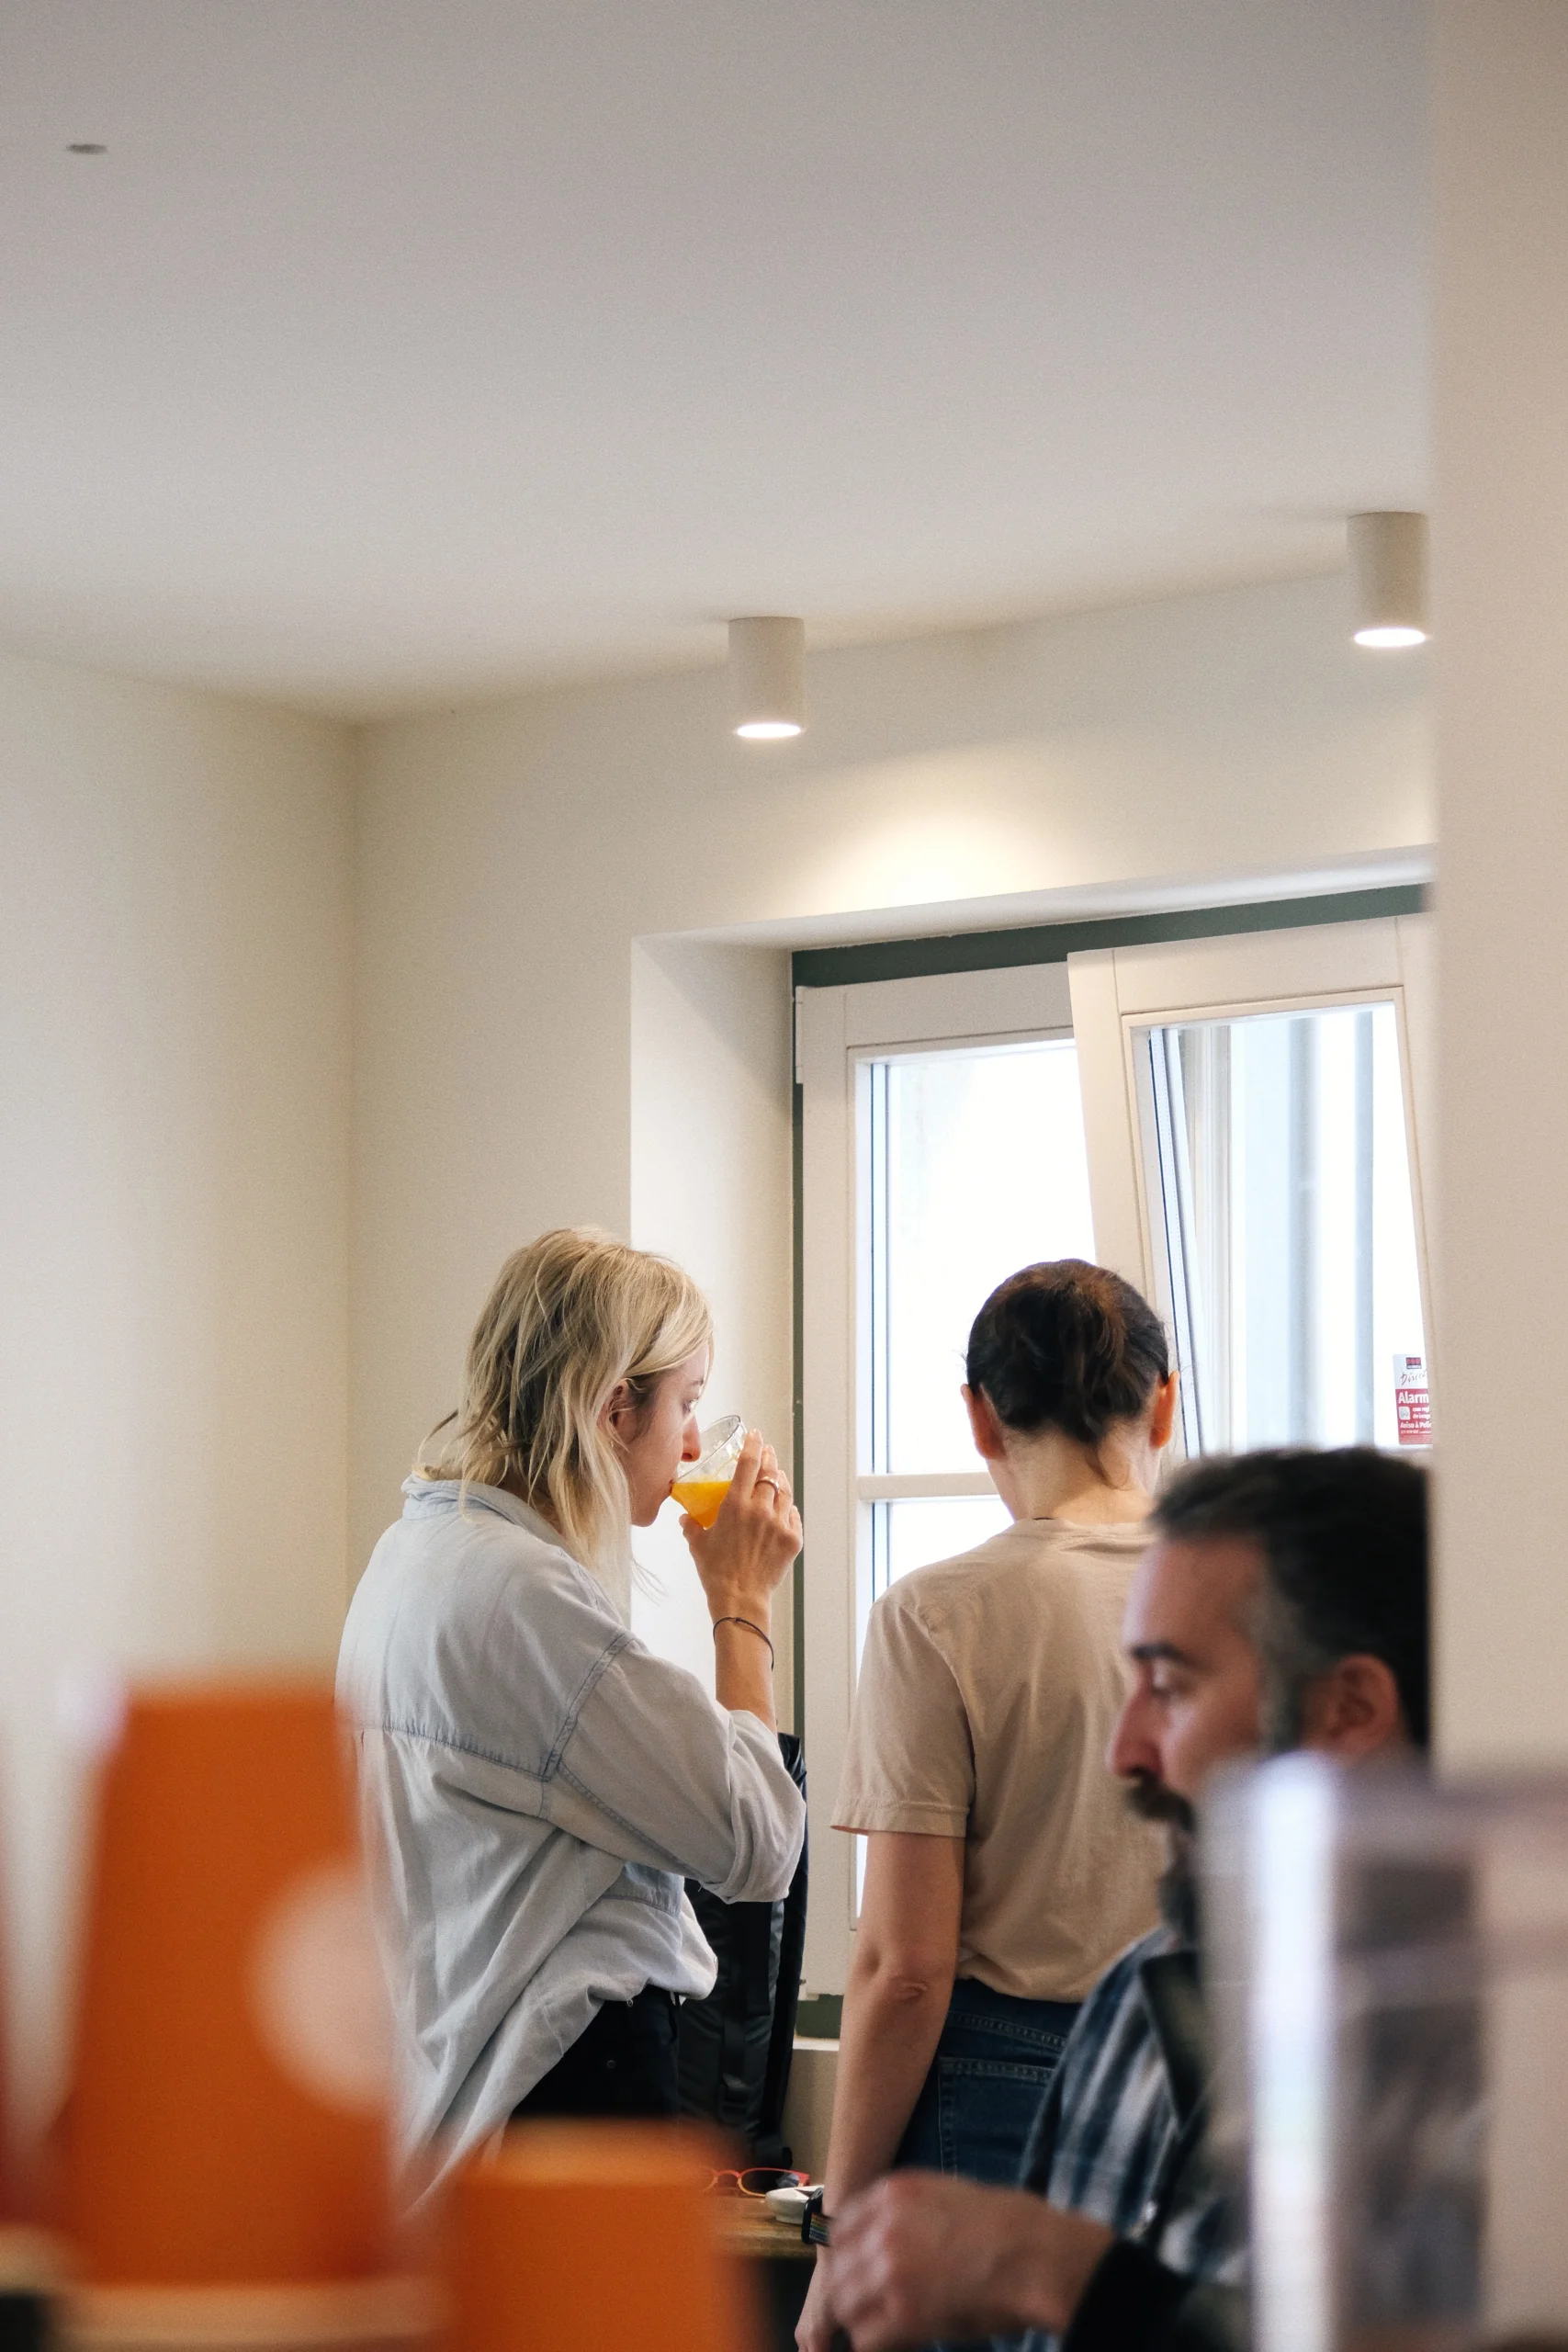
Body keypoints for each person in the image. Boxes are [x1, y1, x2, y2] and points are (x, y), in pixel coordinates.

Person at [818, 1446, 1429, 2352]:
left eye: (1172, 1688)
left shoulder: (1470, 2050)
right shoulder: (1137, 1998)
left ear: (1347, 1709)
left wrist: (1058, 2271)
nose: (1126, 1751)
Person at [337, 1227, 806, 2189]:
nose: (690, 1445)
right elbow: (759, 1842)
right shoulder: (527, 1602)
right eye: (686, 1403)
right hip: (562, 2092)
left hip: (443, 2100)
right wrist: (743, 1602)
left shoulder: (413, 1556)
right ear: (611, 1406)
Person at [798, 1261, 1178, 2351]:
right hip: (1205, 2083)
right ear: (1164, 1400)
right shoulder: (1254, 1596)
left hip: (1000, 2089)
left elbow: (905, 1968)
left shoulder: (940, 1615)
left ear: (978, 1417)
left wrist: (840, 2238)